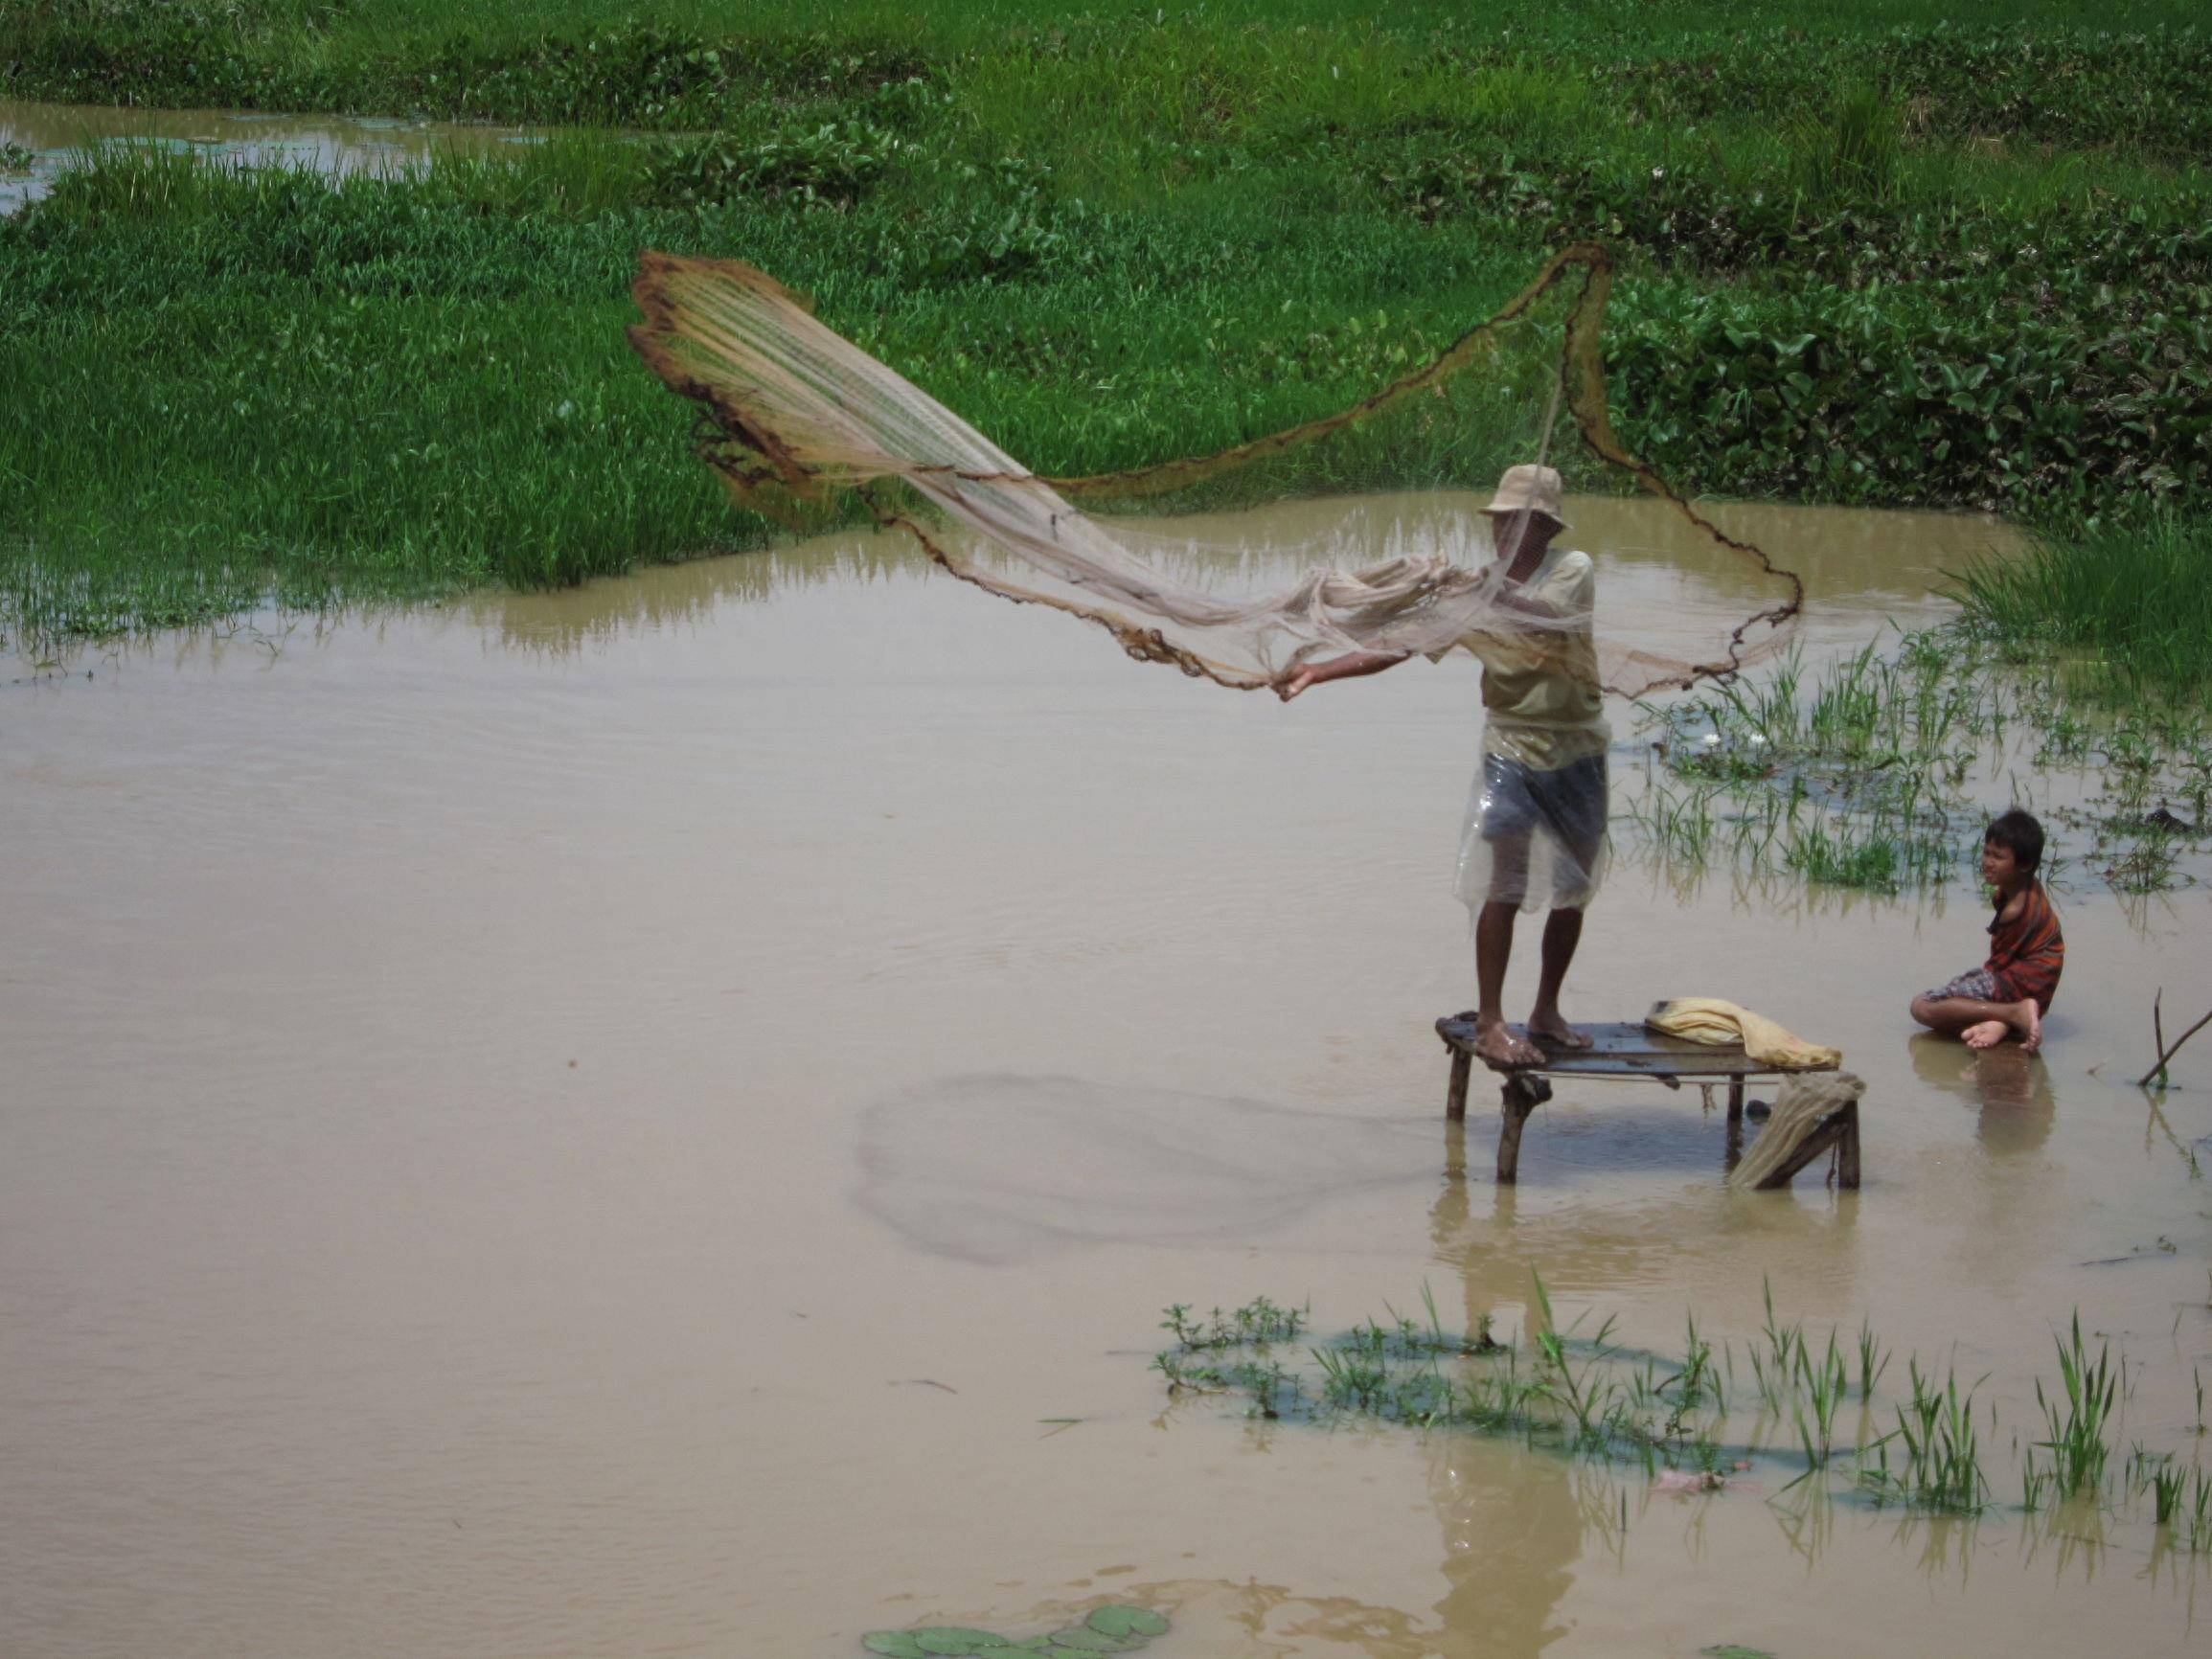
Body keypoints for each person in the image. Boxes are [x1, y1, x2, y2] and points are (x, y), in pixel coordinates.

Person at [1275, 464, 1608, 1068]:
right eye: (1501, 522)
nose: (1504, 533)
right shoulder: (1476, 592)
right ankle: (1490, 1021)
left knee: (1572, 889)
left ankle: (1546, 1011)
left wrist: (1481, 589)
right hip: (1511, 747)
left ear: (1544, 529)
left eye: (1518, 522)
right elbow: (1399, 644)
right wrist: (1318, 673)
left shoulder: (1573, 571)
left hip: (1578, 746)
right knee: (1502, 884)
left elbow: (1541, 617)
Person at [1909, 809, 2064, 1053]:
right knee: (1956, 1003)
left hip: (2020, 988)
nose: (1988, 862)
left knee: (1922, 1006)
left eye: (1998, 857)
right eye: (1986, 853)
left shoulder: (2015, 910)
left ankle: (2011, 1013)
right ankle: (2001, 1022)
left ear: (2025, 864)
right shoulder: (2026, 889)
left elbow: (1997, 967)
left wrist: (1975, 999)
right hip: (2037, 989)